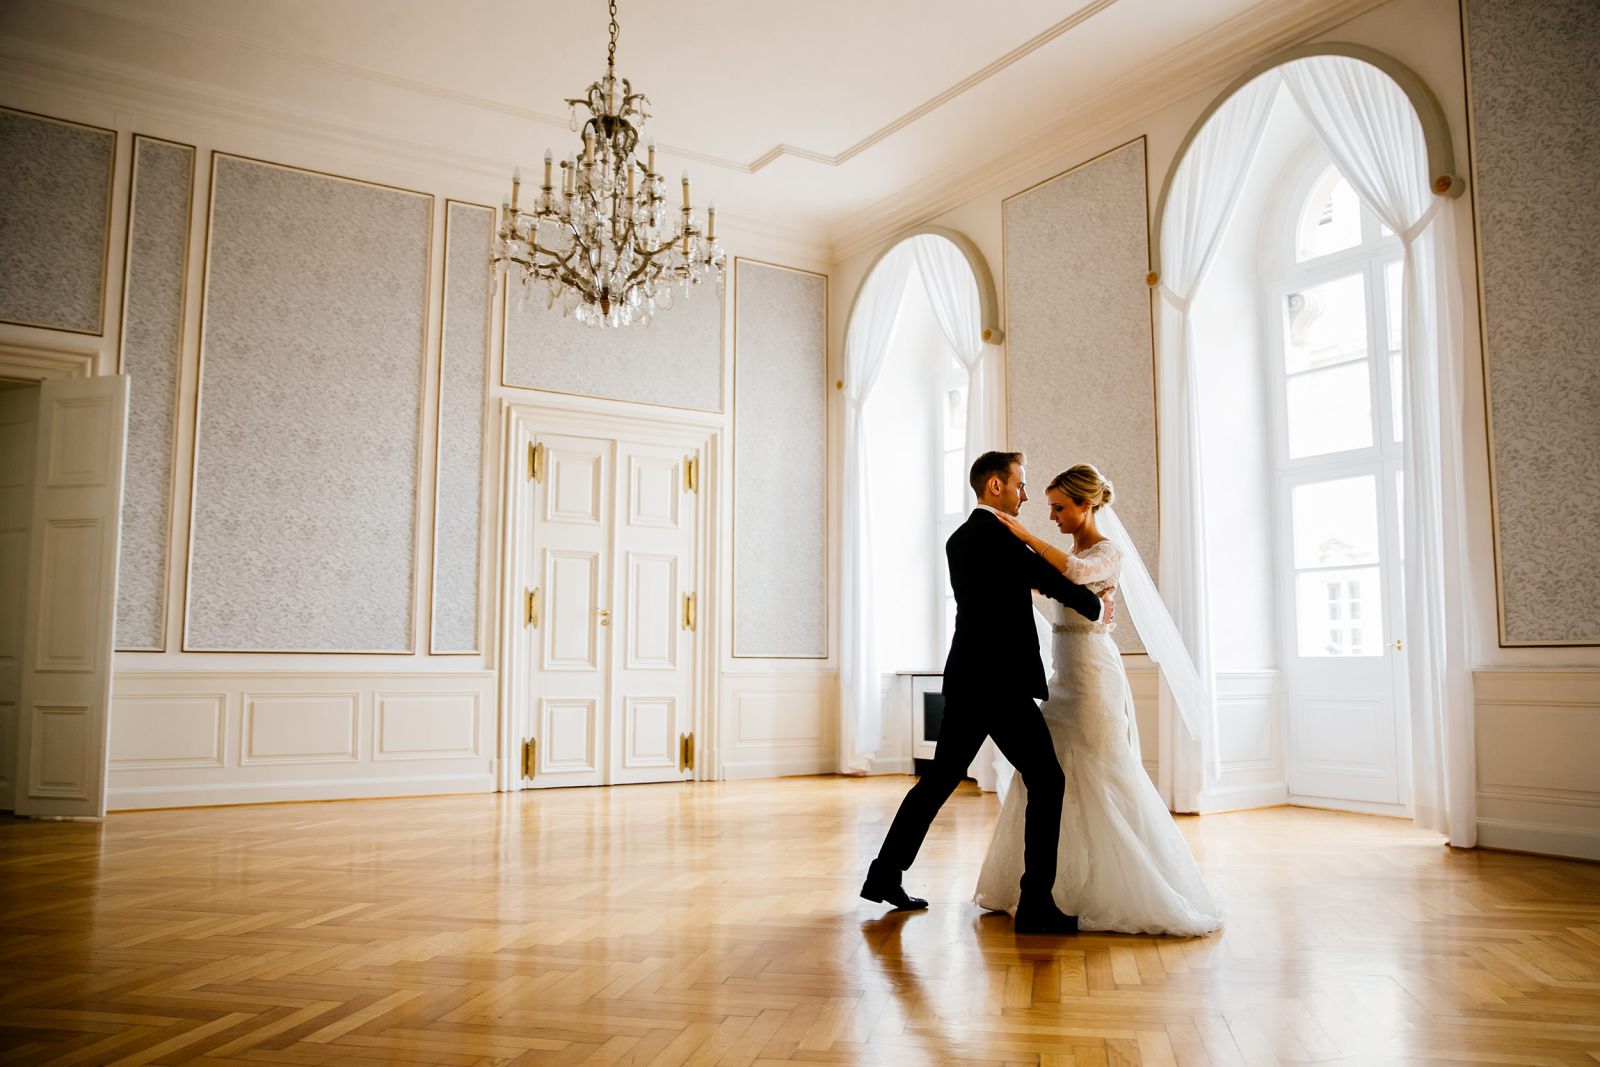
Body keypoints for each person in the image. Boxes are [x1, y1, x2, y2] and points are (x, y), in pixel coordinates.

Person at [861, 451, 1114, 935]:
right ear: (995, 486)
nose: (1024, 494)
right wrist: (1095, 604)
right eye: (1020, 484)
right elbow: (1050, 582)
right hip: (999, 684)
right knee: (1048, 780)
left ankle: (884, 874)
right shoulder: (999, 537)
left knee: (938, 782)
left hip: (966, 678)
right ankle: (1036, 902)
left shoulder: (960, 537)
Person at [974, 464, 1223, 936]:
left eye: (1059, 507)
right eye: (1047, 508)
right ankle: (1042, 888)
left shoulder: (1106, 553)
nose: (1052, 516)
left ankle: (1111, 886)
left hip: (1092, 674)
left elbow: (1076, 572)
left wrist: (1023, 535)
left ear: (1086, 505)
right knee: (1047, 774)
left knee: (1098, 764)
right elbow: (1042, 583)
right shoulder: (1063, 550)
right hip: (1060, 674)